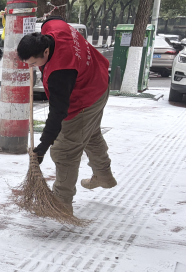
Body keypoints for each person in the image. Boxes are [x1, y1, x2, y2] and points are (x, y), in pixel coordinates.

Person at [16, 17, 117, 214]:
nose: (32, 66)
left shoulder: (60, 73)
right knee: (90, 134)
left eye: (35, 62)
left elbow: (58, 113)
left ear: (46, 51)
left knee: (64, 150)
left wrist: (43, 147)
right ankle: (103, 175)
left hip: (83, 101)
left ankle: (61, 204)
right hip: (100, 83)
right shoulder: (53, 27)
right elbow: (52, 19)